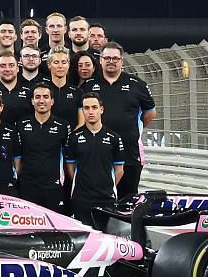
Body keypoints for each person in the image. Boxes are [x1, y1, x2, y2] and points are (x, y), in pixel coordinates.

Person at [83, 45, 156, 200]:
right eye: (107, 58)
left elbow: (150, 113)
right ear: (100, 61)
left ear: (121, 61)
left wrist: (133, 128)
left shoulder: (137, 84)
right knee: (98, 199)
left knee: (127, 201)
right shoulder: (88, 84)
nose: (111, 61)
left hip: (129, 154)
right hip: (97, 154)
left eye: (115, 58)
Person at [65, 95, 127, 225]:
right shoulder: (74, 138)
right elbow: (70, 168)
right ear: (82, 111)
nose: (90, 111)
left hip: (106, 198)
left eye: (94, 107)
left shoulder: (114, 137)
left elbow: (119, 170)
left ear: (101, 109)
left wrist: (107, 187)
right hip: (81, 198)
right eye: (86, 108)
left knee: (106, 237)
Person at [13, 84, 71, 211]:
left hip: (53, 187)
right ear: (32, 101)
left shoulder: (63, 126)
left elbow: (69, 159)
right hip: (27, 187)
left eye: (45, 97)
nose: (41, 100)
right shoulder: (21, 125)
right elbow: (17, 157)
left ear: (52, 101)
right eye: (37, 97)